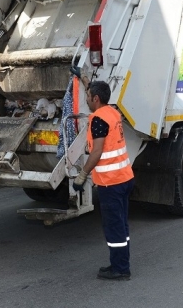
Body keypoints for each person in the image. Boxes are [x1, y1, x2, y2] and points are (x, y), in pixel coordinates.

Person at [72, 77, 134, 281]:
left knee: (114, 227)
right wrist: (85, 79)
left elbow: (97, 152)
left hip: (111, 182)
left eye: (88, 97)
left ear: (96, 99)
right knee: (122, 226)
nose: (87, 100)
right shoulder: (113, 112)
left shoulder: (98, 119)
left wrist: (82, 175)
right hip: (124, 177)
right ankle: (121, 263)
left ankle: (120, 269)